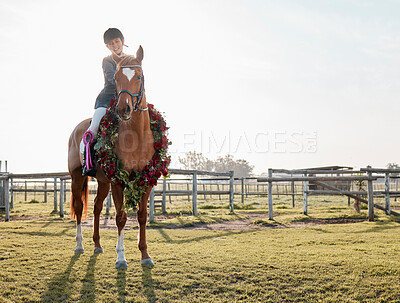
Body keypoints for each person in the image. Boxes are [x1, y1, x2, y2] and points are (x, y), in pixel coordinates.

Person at [81, 28, 125, 176]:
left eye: (117, 42)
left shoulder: (131, 59)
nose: (115, 45)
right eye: (111, 44)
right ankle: (87, 162)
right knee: (94, 125)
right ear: (107, 46)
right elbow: (112, 79)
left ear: (122, 41)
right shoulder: (107, 60)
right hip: (107, 100)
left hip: (128, 100)